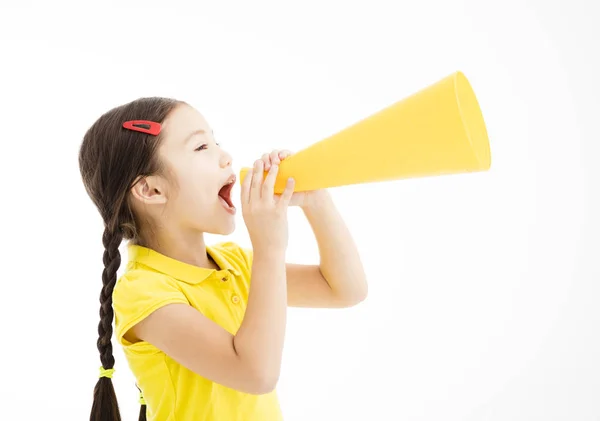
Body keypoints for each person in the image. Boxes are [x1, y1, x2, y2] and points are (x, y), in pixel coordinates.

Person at [78, 97, 368, 421]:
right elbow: (255, 374)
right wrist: (270, 249)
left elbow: (344, 289)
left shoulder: (233, 264)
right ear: (151, 190)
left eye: (216, 142)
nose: (225, 157)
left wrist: (317, 201)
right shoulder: (143, 292)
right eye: (202, 147)